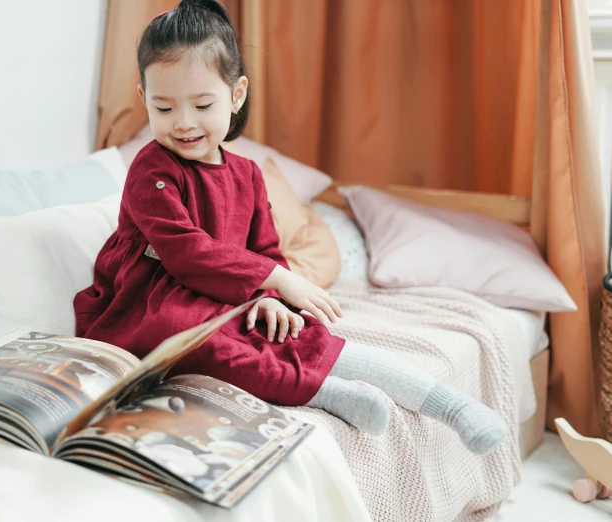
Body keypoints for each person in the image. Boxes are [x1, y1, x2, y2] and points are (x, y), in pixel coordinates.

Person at [74, 0, 506, 455]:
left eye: (202, 104)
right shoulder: (151, 168)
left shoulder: (247, 174)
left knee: (306, 335)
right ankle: (327, 395)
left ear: (236, 94)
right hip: (154, 302)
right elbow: (185, 251)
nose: (183, 122)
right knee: (210, 344)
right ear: (144, 98)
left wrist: (271, 299)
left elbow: (265, 248)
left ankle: (451, 406)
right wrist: (275, 280)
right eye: (164, 107)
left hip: (230, 293)